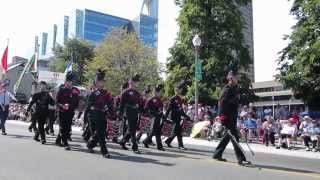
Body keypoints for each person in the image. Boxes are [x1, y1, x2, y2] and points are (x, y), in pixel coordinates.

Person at [212, 70, 250, 165]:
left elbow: (237, 101)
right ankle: (241, 159)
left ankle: (217, 154)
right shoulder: (226, 89)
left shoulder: (236, 88)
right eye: (236, 77)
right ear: (231, 78)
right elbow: (221, 103)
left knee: (228, 136)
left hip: (233, 116)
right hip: (226, 117)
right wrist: (222, 117)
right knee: (235, 137)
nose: (238, 79)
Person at [86, 69, 113, 158]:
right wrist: (86, 117)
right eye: (100, 81)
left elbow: (110, 105)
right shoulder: (93, 94)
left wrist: (112, 114)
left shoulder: (107, 93)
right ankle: (104, 151)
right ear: (97, 82)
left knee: (100, 133)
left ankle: (90, 144)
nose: (102, 83)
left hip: (102, 116)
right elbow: (89, 106)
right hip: (94, 116)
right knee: (100, 134)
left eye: (103, 81)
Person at [119, 74, 143, 154]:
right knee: (132, 130)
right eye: (135, 81)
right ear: (131, 82)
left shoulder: (137, 93)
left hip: (135, 112)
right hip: (128, 111)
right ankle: (135, 147)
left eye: (137, 82)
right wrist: (120, 114)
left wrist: (141, 111)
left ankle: (123, 141)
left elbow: (140, 104)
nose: (137, 83)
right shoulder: (126, 92)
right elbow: (122, 104)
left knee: (132, 128)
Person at [55, 72, 80, 150]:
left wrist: (74, 107)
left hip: (70, 112)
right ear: (65, 82)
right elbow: (56, 102)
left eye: (71, 82)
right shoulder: (61, 90)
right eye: (68, 82)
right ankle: (65, 142)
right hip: (62, 111)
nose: (69, 83)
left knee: (68, 128)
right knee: (63, 127)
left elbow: (76, 103)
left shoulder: (75, 92)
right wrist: (62, 105)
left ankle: (58, 140)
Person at [164, 82, 191, 150]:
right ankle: (180, 145)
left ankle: (168, 141)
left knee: (177, 131)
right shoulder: (173, 98)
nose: (179, 90)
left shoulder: (180, 99)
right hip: (174, 116)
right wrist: (166, 116)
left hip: (178, 116)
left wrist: (186, 116)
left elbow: (181, 109)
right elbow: (169, 108)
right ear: (175, 90)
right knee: (178, 131)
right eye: (177, 89)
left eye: (180, 89)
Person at [142, 84, 165, 151]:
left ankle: (158, 146)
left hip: (158, 117)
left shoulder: (160, 100)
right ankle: (146, 141)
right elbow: (146, 109)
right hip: (153, 117)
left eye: (159, 91)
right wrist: (151, 114)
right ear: (154, 92)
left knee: (157, 132)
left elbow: (161, 109)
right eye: (157, 91)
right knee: (154, 132)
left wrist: (162, 116)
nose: (159, 93)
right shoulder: (150, 99)